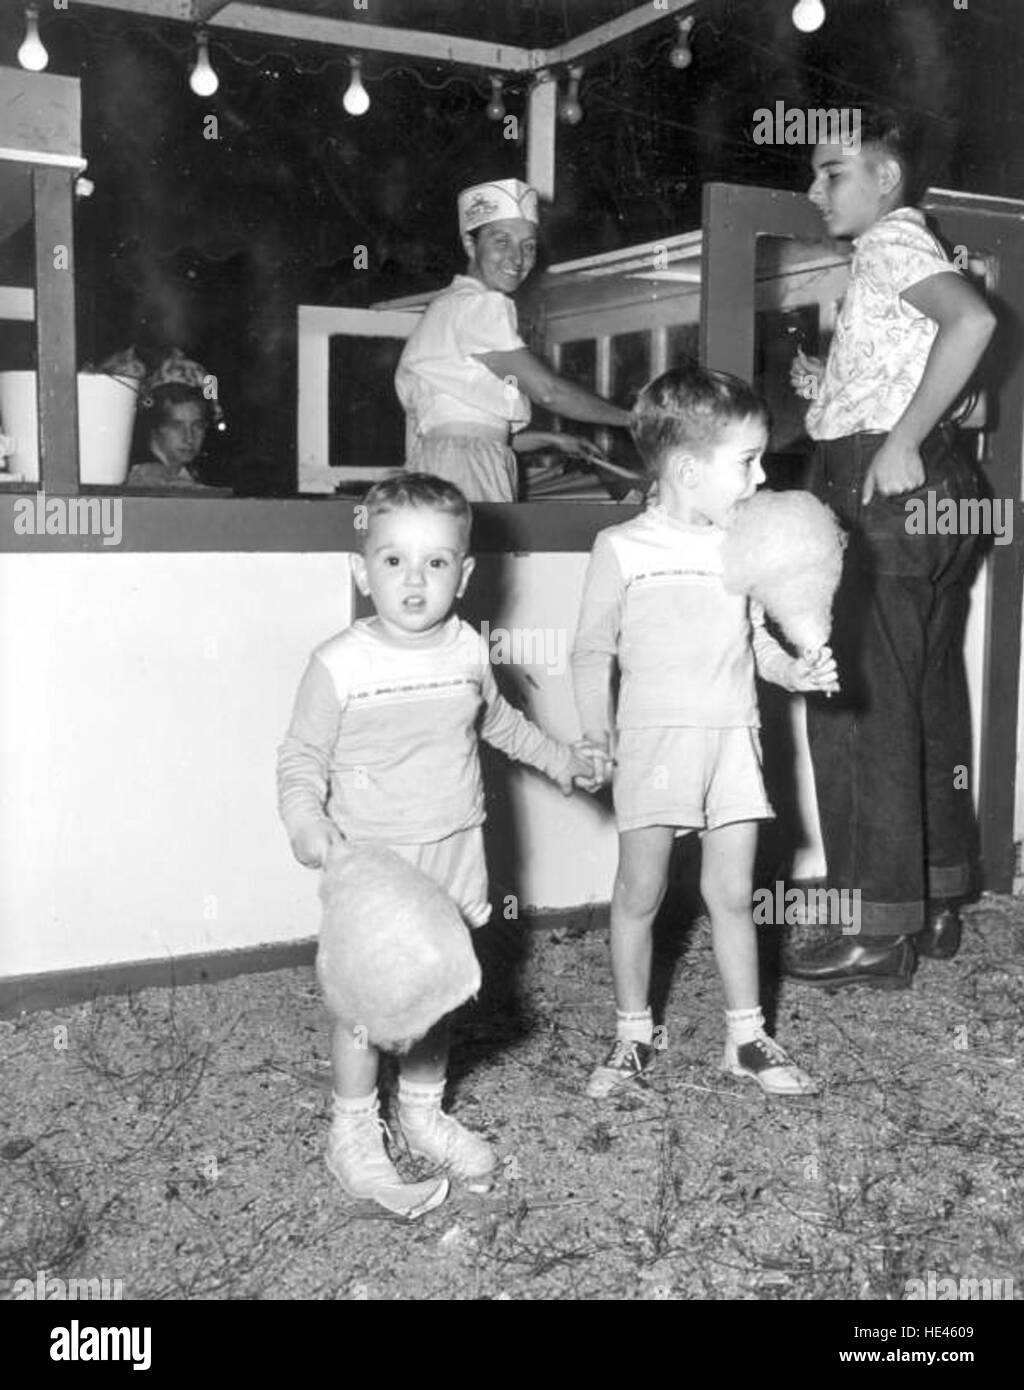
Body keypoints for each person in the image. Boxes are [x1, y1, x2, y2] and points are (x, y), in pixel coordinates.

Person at [277, 473, 603, 1218]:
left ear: (466, 572)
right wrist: (306, 824)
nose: (414, 580)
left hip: (455, 855)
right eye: (393, 561)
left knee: (436, 996)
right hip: (377, 874)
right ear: (362, 571)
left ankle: (422, 1110)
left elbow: (499, 724)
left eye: (435, 562)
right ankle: (354, 1130)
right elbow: (299, 758)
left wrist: (561, 760)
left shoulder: (465, 650)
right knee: (365, 1007)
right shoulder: (339, 663)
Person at [571, 363, 838, 1101]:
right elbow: (592, 650)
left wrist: (796, 672)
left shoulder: (738, 547)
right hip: (655, 746)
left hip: (732, 740)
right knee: (639, 892)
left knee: (733, 892)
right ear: (688, 470)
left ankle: (746, 1038)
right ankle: (631, 1038)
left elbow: (754, 643)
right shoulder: (622, 548)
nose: (760, 480)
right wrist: (595, 733)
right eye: (747, 462)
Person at [785, 109, 997, 990]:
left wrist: (901, 437)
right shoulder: (910, 246)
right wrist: (827, 388)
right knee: (925, 697)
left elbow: (974, 324)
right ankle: (939, 899)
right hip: (943, 499)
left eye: (831, 173)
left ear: (886, 180)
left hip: (890, 492)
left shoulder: (888, 245)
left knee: (856, 709)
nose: (814, 190)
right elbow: (933, 367)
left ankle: (874, 931)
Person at [395, 178, 632, 502]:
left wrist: (553, 439)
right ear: (469, 244)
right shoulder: (478, 305)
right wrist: (631, 419)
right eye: (501, 241)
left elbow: (467, 429)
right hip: (467, 465)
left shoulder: (451, 304)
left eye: (528, 246)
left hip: (447, 463)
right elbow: (548, 392)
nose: (517, 258)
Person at [126, 350, 224, 488]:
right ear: (154, 426)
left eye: (197, 426)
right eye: (176, 426)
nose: (189, 438)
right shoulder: (144, 476)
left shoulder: (190, 472)